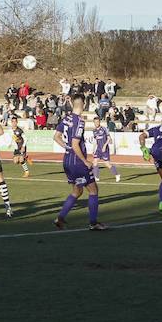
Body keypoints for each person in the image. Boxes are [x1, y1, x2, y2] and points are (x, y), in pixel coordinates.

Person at [53, 94, 107, 231]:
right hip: (78, 161)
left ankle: (60, 218)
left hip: (67, 160)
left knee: (77, 191)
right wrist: (85, 161)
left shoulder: (66, 118)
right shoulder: (79, 121)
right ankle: (93, 223)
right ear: (83, 104)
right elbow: (75, 143)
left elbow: (56, 137)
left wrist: (67, 148)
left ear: (72, 104)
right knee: (93, 189)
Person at [91, 116, 120, 183]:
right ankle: (96, 177)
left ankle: (117, 174)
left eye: (97, 122)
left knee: (107, 164)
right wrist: (93, 149)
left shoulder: (104, 129)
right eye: (95, 122)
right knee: (95, 162)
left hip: (104, 149)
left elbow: (109, 138)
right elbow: (95, 140)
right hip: (98, 149)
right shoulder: (94, 130)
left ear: (99, 122)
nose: (96, 123)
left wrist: (104, 146)